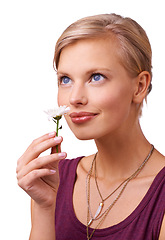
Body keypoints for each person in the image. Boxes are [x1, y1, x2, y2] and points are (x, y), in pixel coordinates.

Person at [16, 13, 165, 240]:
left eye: (96, 77)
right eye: (65, 79)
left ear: (140, 86)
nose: (74, 98)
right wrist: (44, 207)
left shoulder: (160, 194)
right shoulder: (56, 179)